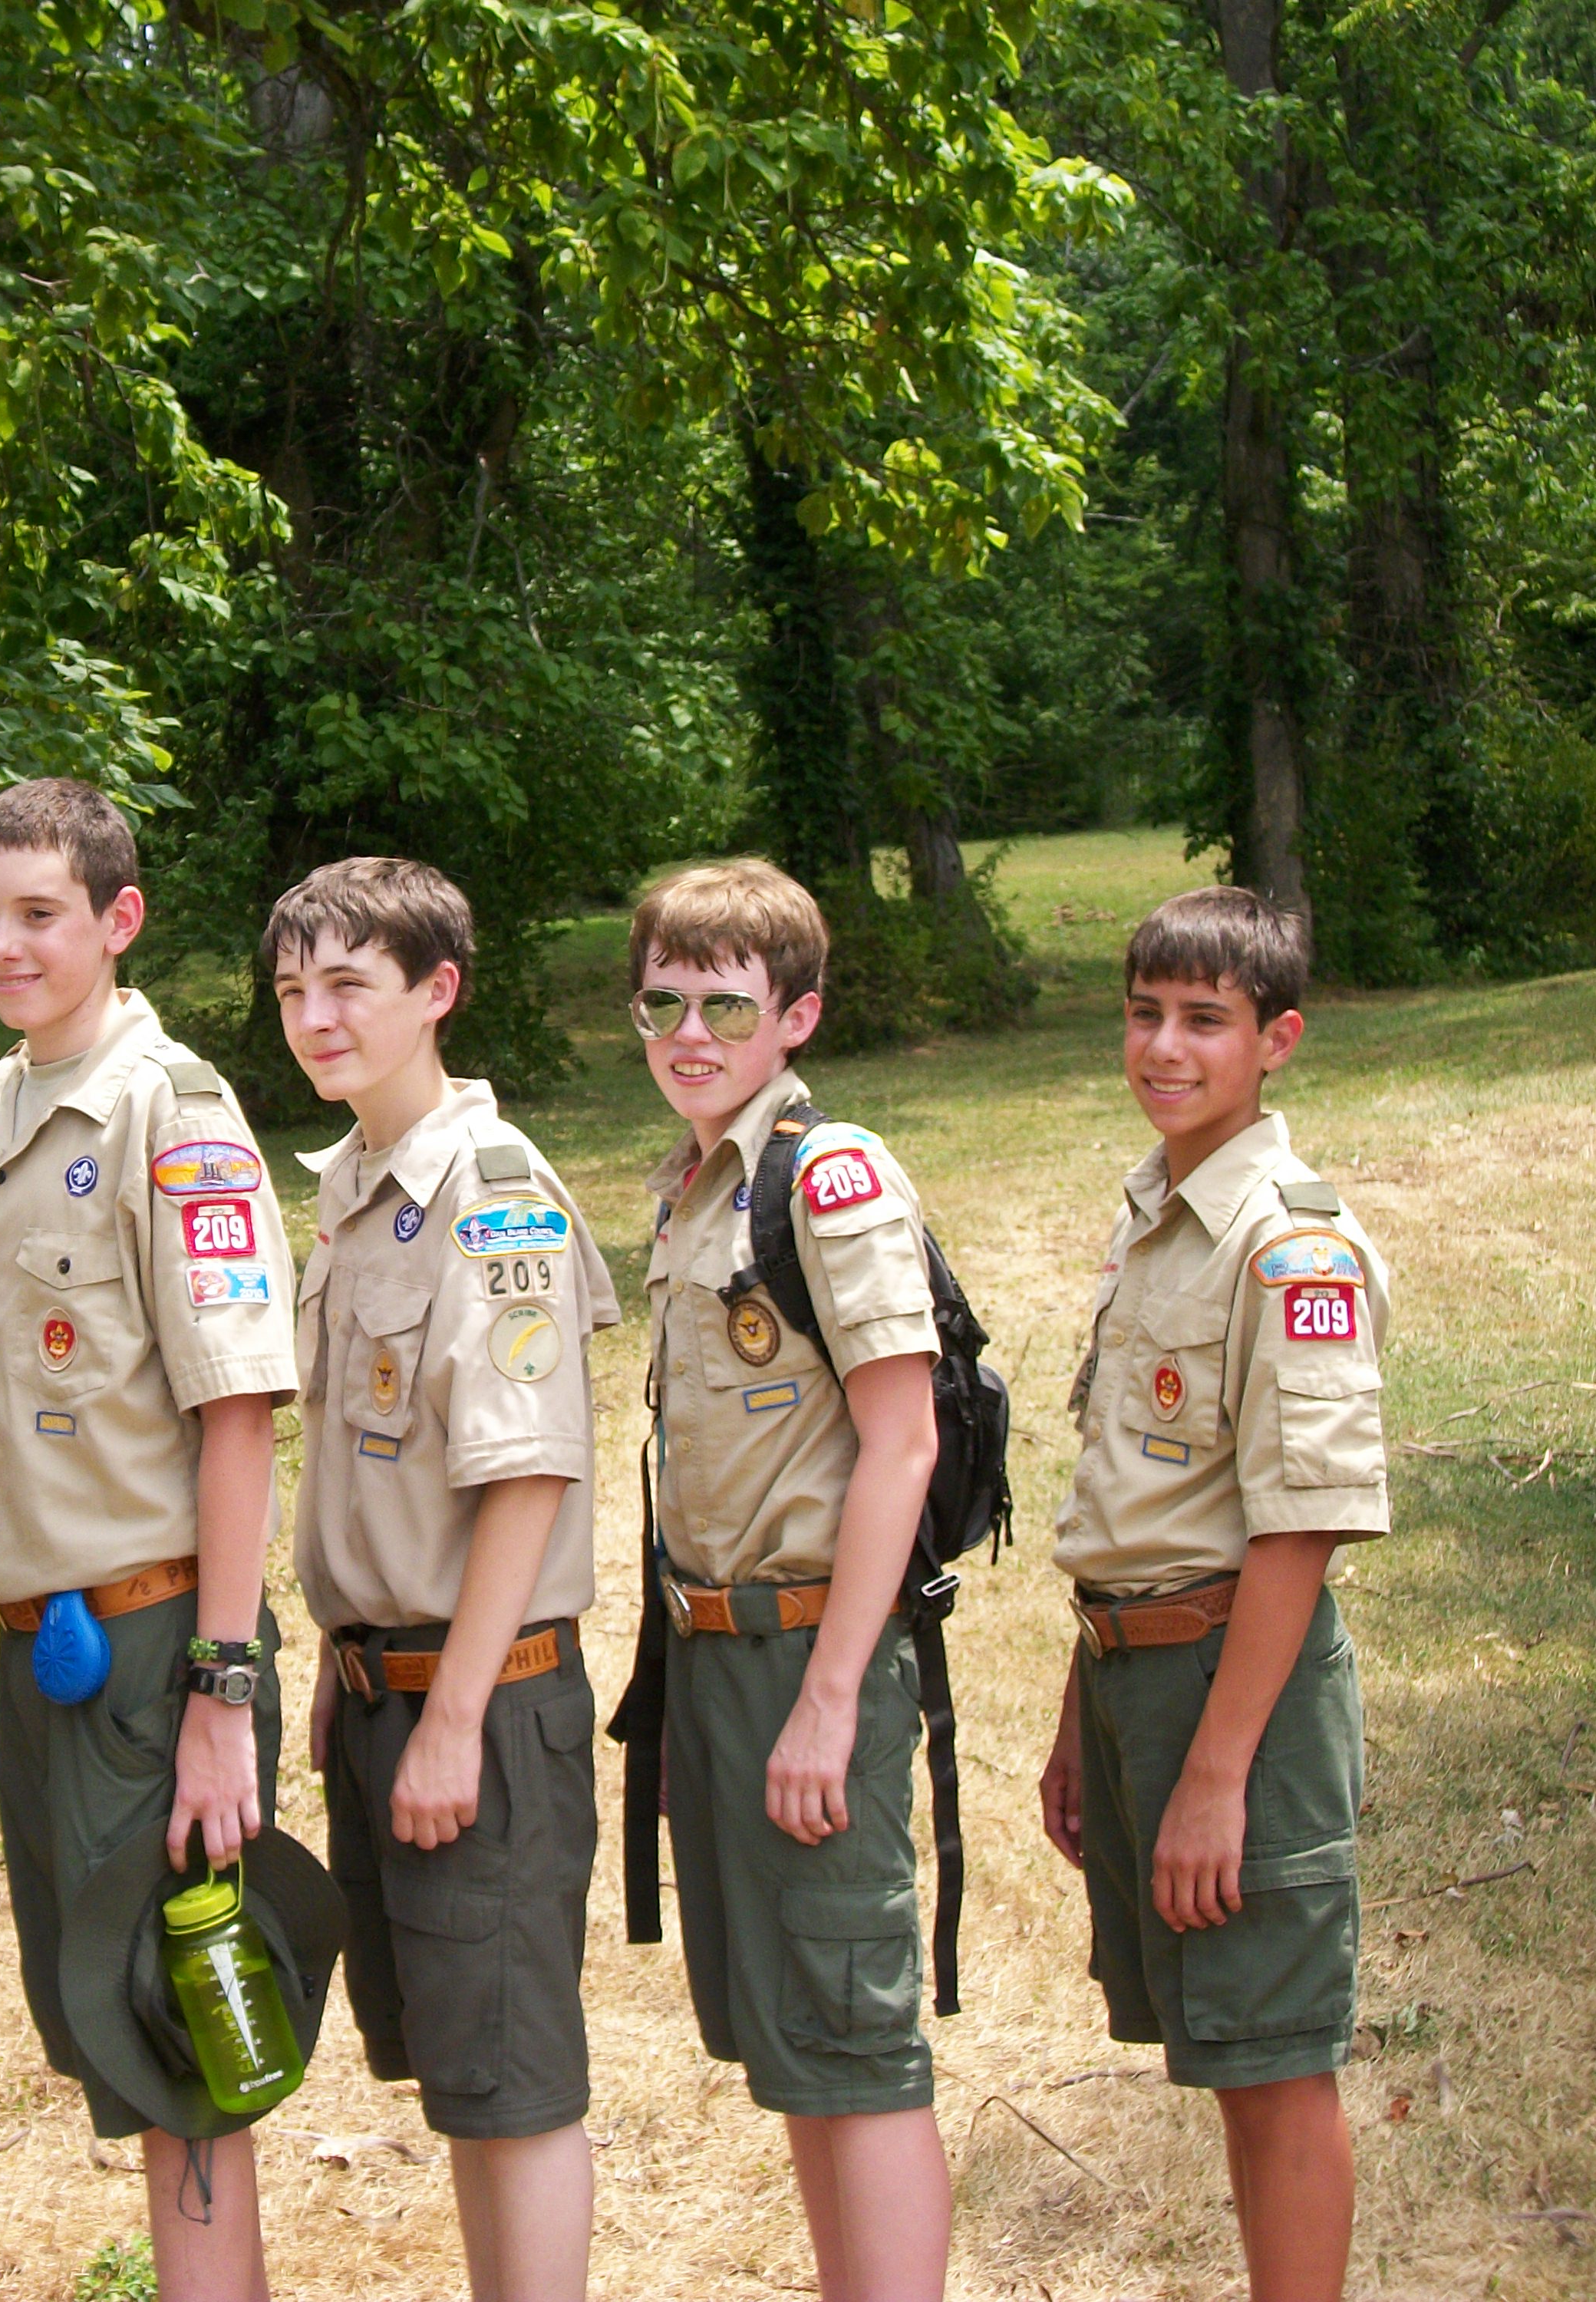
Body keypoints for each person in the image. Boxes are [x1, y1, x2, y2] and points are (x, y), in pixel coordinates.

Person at [0, 778, 304, 2302]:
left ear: (119, 920)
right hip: (50, 1648)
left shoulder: (174, 1110)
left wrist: (221, 1693)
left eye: (40, 914)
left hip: (158, 1645)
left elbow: (239, 1414)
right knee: (116, 2030)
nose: (4, 946)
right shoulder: (5, 1099)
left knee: (183, 2050)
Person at [267, 859, 617, 2302]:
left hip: (477, 1701)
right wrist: (343, 1665)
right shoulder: (357, 1187)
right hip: (386, 1690)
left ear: (438, 992)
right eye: (294, 989)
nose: (317, 1017)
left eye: (352, 984)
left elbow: (529, 1476)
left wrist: (456, 1717)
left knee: (513, 2082)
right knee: (460, 2078)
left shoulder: (494, 1193)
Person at [1037, 886, 1387, 2302]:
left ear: (1276, 1040)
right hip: (1138, 1677)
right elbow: (1129, 1495)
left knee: (1277, 2063)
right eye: (1145, 1015)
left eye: (1205, 1021)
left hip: (1239, 1692)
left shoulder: (1289, 1245)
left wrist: (1217, 1775)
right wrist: (1081, 1716)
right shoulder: (1161, 1215)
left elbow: (1299, 1529)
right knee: (1231, 2053)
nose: (1165, 1048)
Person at [630, 859, 951, 2302]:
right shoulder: (698, 1187)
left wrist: (829, 1703)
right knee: (800, 2047)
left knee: (856, 2037)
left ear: (797, 1017)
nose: (688, 1035)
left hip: (818, 1651)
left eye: (724, 1005)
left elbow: (903, 1442)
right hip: (721, 1656)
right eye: (662, 1005)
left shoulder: (829, 1176)